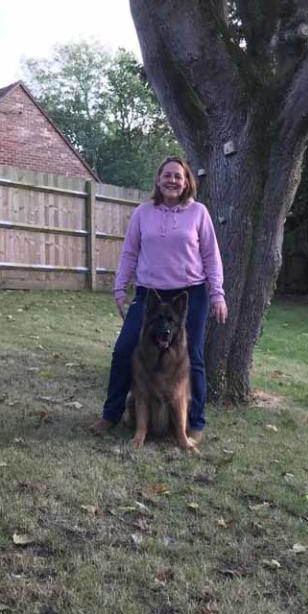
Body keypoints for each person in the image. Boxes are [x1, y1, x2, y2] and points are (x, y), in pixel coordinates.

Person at [93, 156, 227, 445]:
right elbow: (129, 252)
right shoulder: (143, 213)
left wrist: (217, 294)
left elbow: (211, 257)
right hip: (149, 295)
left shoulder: (199, 213)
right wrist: (119, 289)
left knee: (193, 354)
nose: (172, 180)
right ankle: (111, 414)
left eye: (178, 176)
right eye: (167, 175)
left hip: (189, 294)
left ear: (187, 181)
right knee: (124, 349)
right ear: (158, 179)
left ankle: (195, 423)